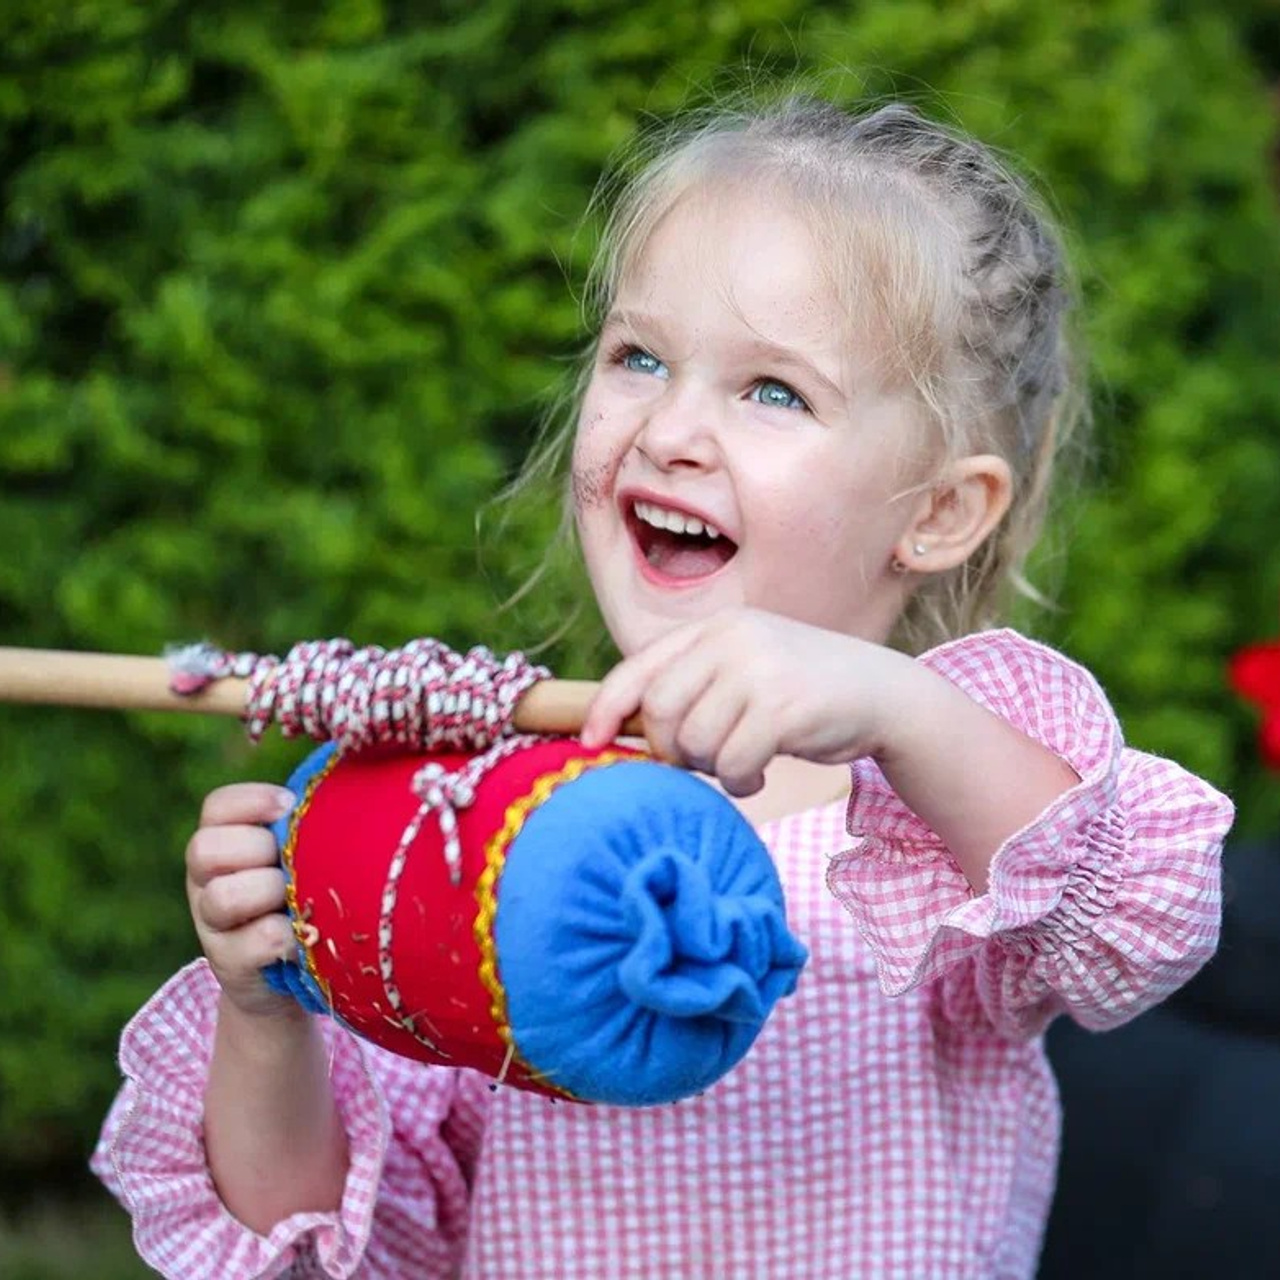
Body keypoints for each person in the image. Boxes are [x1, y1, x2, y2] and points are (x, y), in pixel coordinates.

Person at [90, 94, 1233, 1279]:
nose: (670, 428)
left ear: (938, 510)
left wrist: (896, 704)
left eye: (772, 390)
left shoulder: (935, 840)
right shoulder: (483, 821)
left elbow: (1136, 923)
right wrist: (266, 1012)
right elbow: (334, 1246)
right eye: (639, 357)